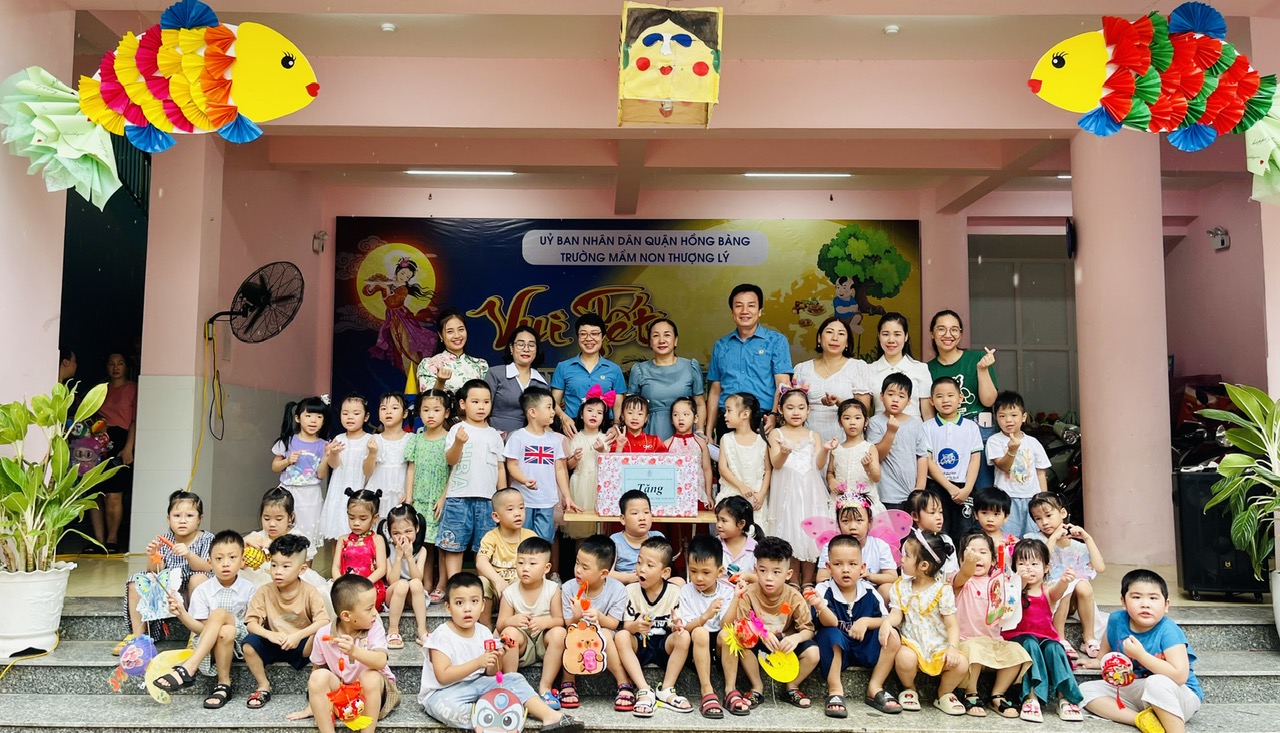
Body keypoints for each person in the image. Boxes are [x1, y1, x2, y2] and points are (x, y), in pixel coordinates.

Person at [418, 572, 584, 731]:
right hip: (443, 692)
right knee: (450, 708)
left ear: (483, 605)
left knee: (514, 679)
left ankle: (549, 716)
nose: (468, 609)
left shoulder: (483, 632)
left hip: (476, 684)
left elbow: (490, 673)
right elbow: (443, 676)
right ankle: (499, 718)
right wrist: (478, 662)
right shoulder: (442, 635)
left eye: (474, 601)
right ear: (448, 607)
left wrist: (497, 657)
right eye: (459, 603)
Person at [1079, 569, 1203, 733]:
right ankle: (1142, 719)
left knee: (1156, 682)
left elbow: (1180, 676)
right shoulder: (1117, 620)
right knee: (1084, 691)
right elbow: (1105, 653)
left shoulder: (1168, 631)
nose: (1145, 604)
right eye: (1136, 597)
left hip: (1179, 695)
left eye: (1153, 598)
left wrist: (1141, 655)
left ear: (1166, 605)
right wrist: (1098, 661)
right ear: (1123, 601)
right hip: (1140, 690)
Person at [153, 530, 253, 710]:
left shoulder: (250, 589)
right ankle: (223, 684)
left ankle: (189, 667)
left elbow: (251, 626)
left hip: (240, 643)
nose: (225, 563)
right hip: (212, 644)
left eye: (232, 557)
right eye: (219, 559)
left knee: (220, 615)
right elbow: (200, 629)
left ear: (242, 560)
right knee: (225, 630)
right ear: (209, 562)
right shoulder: (203, 590)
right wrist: (181, 613)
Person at [290, 574, 400, 732]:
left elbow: (380, 661)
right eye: (369, 608)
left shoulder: (374, 628)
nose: (375, 613)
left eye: (374, 607)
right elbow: (317, 669)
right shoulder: (323, 634)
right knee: (318, 676)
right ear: (346, 615)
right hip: (343, 695)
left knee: (370, 677)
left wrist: (354, 651)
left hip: (374, 695)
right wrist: (313, 705)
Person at [809, 535, 902, 718]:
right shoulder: (823, 590)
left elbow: (885, 619)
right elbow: (828, 622)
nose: (845, 570)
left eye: (852, 564)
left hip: (863, 647)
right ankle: (835, 690)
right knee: (831, 634)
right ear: (828, 567)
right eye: (838, 564)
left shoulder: (869, 591)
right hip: (836, 651)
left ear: (862, 568)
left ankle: (875, 687)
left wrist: (866, 621)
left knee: (891, 634)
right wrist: (820, 605)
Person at [883, 529, 969, 716]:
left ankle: (944, 693)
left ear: (923, 565)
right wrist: (887, 623)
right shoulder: (901, 586)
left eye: (906, 555)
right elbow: (896, 613)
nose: (901, 558)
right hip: (913, 643)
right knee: (904, 658)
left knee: (961, 664)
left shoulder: (943, 590)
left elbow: (952, 625)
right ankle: (909, 688)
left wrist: (952, 648)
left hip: (938, 646)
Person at [728, 536, 820, 709]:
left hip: (785, 646)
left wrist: (796, 638)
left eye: (776, 572)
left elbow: (808, 630)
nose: (769, 578)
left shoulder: (794, 597)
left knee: (813, 653)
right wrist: (761, 633)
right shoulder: (748, 593)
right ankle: (757, 687)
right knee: (742, 642)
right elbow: (741, 624)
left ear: (788, 574)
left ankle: (792, 687)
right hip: (759, 644)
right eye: (763, 571)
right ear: (756, 570)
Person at [117, 490, 212, 653]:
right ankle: (138, 636)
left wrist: (189, 555)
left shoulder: (207, 539)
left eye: (189, 516)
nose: (182, 521)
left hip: (194, 592)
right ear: (168, 519)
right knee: (136, 580)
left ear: (199, 519)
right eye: (177, 516)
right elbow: (154, 571)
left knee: (198, 578)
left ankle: (195, 635)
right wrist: (154, 556)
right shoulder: (164, 539)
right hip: (169, 592)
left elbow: (207, 567)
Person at [243, 534, 330, 710]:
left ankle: (314, 685)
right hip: (274, 641)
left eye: (286, 566)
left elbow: (323, 621)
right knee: (249, 644)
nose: (278, 571)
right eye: (274, 565)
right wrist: (270, 634)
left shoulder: (309, 591)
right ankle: (263, 686)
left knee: (322, 636)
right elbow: (251, 624)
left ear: (302, 569)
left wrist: (298, 636)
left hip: (301, 645)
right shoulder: (264, 591)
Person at [1001, 538, 1085, 723]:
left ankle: (1066, 699)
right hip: (1018, 638)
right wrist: (1021, 582)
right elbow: (1007, 606)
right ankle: (1031, 698)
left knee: (1055, 648)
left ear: (1046, 568)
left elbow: (1057, 592)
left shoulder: (1046, 591)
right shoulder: (1011, 589)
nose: (1028, 568)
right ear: (1014, 567)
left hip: (1046, 638)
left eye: (1034, 564)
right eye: (1022, 563)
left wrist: (1064, 581)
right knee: (1030, 643)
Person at [950, 533, 1031, 719]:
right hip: (967, 642)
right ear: (961, 559)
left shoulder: (999, 582)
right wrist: (968, 564)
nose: (977, 556)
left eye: (983, 552)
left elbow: (1011, 602)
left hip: (993, 641)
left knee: (1018, 652)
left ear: (993, 559)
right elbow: (964, 574)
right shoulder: (961, 581)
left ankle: (997, 694)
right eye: (971, 552)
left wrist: (1022, 581)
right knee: (974, 649)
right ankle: (971, 693)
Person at [615, 537, 693, 716]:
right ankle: (643, 689)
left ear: (665, 572)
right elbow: (627, 626)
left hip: (664, 645)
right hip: (640, 644)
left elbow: (674, 626)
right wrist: (636, 626)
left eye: (649, 565)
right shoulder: (631, 590)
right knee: (621, 636)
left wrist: (677, 625)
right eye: (639, 562)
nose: (641, 569)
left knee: (684, 636)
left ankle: (666, 689)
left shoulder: (674, 592)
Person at [767, 386, 838, 582]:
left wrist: (825, 450)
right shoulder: (776, 434)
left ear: (808, 409)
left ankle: (807, 581)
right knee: (790, 532)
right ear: (780, 409)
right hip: (787, 493)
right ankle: (792, 581)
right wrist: (784, 452)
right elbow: (776, 463)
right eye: (790, 407)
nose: (796, 412)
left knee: (809, 535)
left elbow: (818, 465)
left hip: (810, 492)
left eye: (801, 407)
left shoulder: (813, 435)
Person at [439, 380, 506, 584]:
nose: (481, 406)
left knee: (484, 548)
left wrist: (502, 499)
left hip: (487, 500)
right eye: (475, 402)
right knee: (454, 545)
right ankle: (454, 586)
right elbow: (450, 460)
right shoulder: (457, 429)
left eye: (486, 402)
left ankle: (484, 589)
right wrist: (459, 442)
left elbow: (500, 468)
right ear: (463, 404)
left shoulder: (495, 435)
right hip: (458, 498)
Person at [1027, 492, 1107, 661]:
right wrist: (1053, 539)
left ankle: (1089, 638)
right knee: (1066, 583)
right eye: (1038, 519)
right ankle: (1060, 638)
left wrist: (1087, 538)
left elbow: (1100, 567)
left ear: (1062, 513)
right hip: (1048, 598)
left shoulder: (1077, 546)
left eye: (1048, 515)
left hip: (1073, 604)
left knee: (1081, 584)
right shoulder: (1034, 540)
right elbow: (1040, 562)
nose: (1044, 522)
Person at [706, 284, 792, 437]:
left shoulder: (776, 341)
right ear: (732, 311)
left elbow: (783, 384)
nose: (745, 311)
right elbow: (714, 392)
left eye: (751, 305)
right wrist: (708, 432)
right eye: (739, 306)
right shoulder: (721, 345)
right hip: (727, 420)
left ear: (760, 311)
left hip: (764, 420)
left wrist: (774, 415)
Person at [558, 535, 632, 712]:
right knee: (570, 635)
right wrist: (577, 616)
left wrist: (599, 616)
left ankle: (623, 682)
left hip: (604, 631)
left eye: (585, 567)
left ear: (604, 573)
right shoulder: (568, 588)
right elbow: (568, 623)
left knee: (603, 635)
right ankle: (568, 681)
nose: (578, 570)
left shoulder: (617, 590)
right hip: (577, 632)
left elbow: (613, 623)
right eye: (577, 563)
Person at [926, 310, 998, 488]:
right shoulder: (927, 369)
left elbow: (989, 401)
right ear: (932, 333)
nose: (948, 334)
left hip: (979, 429)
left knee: (983, 492)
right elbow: (928, 412)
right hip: (945, 433)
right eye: (941, 329)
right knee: (949, 492)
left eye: (954, 329)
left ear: (961, 333)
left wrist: (982, 370)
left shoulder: (977, 359)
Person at [496, 537, 566, 709]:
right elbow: (500, 625)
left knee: (559, 633)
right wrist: (511, 620)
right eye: (520, 563)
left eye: (532, 563)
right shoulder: (510, 592)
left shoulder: (552, 589)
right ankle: (511, 685)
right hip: (522, 646)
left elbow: (560, 620)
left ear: (546, 568)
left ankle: (545, 687)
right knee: (508, 634)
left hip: (543, 642)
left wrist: (545, 623)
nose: (525, 568)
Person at [241, 487, 332, 617]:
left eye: (279, 519)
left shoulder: (297, 538)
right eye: (266, 518)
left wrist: (274, 548)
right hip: (258, 578)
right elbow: (239, 562)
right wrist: (244, 544)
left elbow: (303, 567)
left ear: (290, 517)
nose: (272, 524)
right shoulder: (256, 537)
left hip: (288, 580)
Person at [504, 387, 576, 542]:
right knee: (521, 541)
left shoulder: (555, 440)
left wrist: (567, 496)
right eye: (549, 407)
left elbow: (560, 470)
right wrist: (524, 480)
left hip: (547, 500)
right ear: (532, 412)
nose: (553, 412)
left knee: (544, 542)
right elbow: (512, 466)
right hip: (522, 501)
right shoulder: (517, 437)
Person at [679, 535, 736, 719]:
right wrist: (706, 616)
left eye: (706, 572)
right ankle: (707, 690)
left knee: (728, 634)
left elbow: (726, 625)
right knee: (700, 632)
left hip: (718, 647)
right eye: (693, 571)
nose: (698, 578)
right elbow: (685, 627)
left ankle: (730, 689)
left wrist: (737, 597)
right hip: (695, 646)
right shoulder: (686, 591)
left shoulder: (727, 591)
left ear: (720, 571)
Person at [792, 316, 873, 442]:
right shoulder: (802, 369)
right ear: (819, 338)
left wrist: (840, 403)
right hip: (808, 441)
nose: (835, 338)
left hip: (845, 441)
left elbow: (865, 408)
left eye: (841, 334)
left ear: (847, 342)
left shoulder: (858, 367)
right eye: (829, 332)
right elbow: (792, 404)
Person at [924, 376, 984, 545]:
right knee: (938, 532)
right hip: (937, 486)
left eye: (950, 395)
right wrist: (949, 487)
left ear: (960, 398)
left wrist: (968, 488)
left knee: (964, 532)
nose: (945, 400)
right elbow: (928, 461)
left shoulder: (971, 427)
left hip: (964, 487)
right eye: (939, 396)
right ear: (931, 401)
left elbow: (975, 459)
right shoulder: (927, 427)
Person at [404, 389, 451, 602]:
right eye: (425, 410)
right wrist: (409, 498)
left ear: (446, 413)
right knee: (424, 542)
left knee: (442, 544)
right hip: (420, 498)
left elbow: (454, 471)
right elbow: (411, 469)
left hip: (440, 499)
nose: (430, 414)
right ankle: (426, 582)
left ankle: (442, 584)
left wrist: (443, 497)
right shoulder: (416, 439)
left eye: (436, 410)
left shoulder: (449, 439)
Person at [90, 351, 138, 553]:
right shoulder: (100, 389)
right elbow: (91, 417)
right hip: (98, 441)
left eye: (120, 363)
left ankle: (112, 539)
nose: (116, 367)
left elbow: (135, 420)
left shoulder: (133, 389)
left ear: (126, 366)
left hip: (120, 441)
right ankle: (98, 541)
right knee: (94, 493)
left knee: (113, 494)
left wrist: (128, 448)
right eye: (111, 363)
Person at [364, 256, 438, 386]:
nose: (404, 277)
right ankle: (412, 380)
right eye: (403, 273)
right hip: (392, 320)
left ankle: (419, 380)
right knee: (400, 350)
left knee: (408, 349)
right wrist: (372, 285)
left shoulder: (403, 289)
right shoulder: (388, 283)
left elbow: (393, 303)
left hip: (402, 319)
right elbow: (368, 292)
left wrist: (385, 288)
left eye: (408, 277)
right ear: (397, 271)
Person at [628, 318, 706, 440]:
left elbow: (700, 403)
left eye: (667, 335)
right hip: (651, 432)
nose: (661, 340)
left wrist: (700, 430)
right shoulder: (639, 370)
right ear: (650, 342)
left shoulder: (690, 367)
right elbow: (630, 406)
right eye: (656, 335)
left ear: (675, 340)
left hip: (685, 433)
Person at [986, 391, 1050, 539]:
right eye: (1002, 416)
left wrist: (1043, 499)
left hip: (1032, 498)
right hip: (1007, 498)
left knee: (1034, 538)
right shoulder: (994, 441)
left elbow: (1041, 473)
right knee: (1008, 538)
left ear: (1024, 417)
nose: (1008, 420)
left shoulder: (1033, 442)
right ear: (996, 418)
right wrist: (1012, 450)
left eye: (1014, 415)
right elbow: (1003, 466)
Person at [271, 395, 332, 548]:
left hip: (311, 495)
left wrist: (326, 456)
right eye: (308, 415)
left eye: (319, 417)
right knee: (284, 531)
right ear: (297, 418)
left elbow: (321, 474)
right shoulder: (288, 441)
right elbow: (275, 466)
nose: (313, 420)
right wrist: (287, 461)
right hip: (287, 492)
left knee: (308, 537)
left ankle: (306, 564)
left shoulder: (324, 445)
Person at [552, 313, 626, 437]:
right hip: (572, 428)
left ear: (603, 337)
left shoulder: (614, 370)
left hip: (604, 430)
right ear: (578, 337)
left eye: (594, 333)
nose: (589, 338)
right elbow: (554, 402)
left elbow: (618, 405)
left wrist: (616, 425)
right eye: (583, 334)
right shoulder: (563, 367)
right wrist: (563, 418)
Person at [866, 373, 929, 511]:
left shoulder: (915, 424)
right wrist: (890, 432)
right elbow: (877, 456)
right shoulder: (875, 423)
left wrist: (920, 487)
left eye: (901, 396)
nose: (895, 399)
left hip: (911, 493)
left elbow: (922, 456)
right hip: (886, 493)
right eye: (890, 394)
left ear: (908, 401)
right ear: (881, 396)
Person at [815, 492, 897, 597]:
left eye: (859, 520)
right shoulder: (830, 546)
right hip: (840, 592)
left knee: (887, 589)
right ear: (838, 523)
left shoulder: (880, 546)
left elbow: (892, 576)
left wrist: (869, 576)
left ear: (869, 522)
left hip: (871, 593)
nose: (853, 527)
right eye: (846, 521)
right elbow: (821, 578)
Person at [476, 488, 538, 623]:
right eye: (510, 509)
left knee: (520, 582)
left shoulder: (530, 536)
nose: (518, 513)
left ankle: (510, 626)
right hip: (496, 592)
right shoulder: (491, 537)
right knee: (482, 582)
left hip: (520, 596)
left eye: (521, 508)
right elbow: (481, 562)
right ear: (496, 516)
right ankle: (486, 628)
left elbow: (539, 566)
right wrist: (498, 581)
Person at [322, 394, 372, 542]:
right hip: (339, 488)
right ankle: (336, 557)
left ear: (366, 417)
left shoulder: (370, 440)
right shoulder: (339, 438)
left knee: (358, 535)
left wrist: (372, 452)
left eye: (356, 413)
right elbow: (334, 465)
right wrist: (333, 453)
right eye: (345, 413)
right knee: (336, 533)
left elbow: (369, 471)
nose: (350, 417)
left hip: (358, 487)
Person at [563, 396, 613, 539]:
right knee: (581, 531)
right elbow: (568, 466)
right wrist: (575, 459)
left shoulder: (606, 438)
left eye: (599, 412)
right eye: (590, 410)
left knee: (600, 530)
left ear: (603, 418)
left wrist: (602, 452)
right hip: (580, 484)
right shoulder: (574, 438)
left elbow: (611, 467)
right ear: (581, 414)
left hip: (599, 485)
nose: (594, 415)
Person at [868, 313, 933, 419]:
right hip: (880, 428)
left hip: (914, 428)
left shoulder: (920, 369)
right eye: (885, 334)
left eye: (897, 334)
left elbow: (928, 414)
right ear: (879, 336)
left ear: (905, 336)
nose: (891, 340)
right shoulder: (869, 370)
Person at [485, 325, 547, 436]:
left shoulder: (542, 382)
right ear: (511, 348)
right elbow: (483, 410)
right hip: (497, 437)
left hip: (530, 440)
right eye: (520, 344)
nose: (526, 349)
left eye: (531, 345)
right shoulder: (495, 374)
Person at [716, 393, 770, 520]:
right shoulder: (726, 439)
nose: (725, 415)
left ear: (745, 414)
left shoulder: (762, 441)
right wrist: (741, 486)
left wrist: (762, 494)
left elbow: (768, 470)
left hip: (756, 497)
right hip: (732, 494)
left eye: (729, 410)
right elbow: (722, 469)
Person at [333, 489, 389, 610]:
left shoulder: (377, 539)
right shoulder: (343, 539)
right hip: (345, 589)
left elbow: (382, 569)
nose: (356, 523)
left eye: (363, 519)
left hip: (369, 588)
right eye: (352, 518)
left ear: (375, 518)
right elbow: (336, 567)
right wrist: (340, 585)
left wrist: (363, 584)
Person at [382, 505, 429, 649]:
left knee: (415, 583)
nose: (403, 537)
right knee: (402, 584)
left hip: (413, 595)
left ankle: (422, 630)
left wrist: (409, 557)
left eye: (408, 531)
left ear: (417, 528)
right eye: (396, 533)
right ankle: (393, 630)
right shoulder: (387, 549)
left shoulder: (421, 550)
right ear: (389, 533)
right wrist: (398, 557)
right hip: (393, 593)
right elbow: (392, 580)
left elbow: (418, 578)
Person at [827, 399, 885, 516]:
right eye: (847, 418)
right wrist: (831, 481)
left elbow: (876, 478)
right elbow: (830, 472)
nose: (852, 422)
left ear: (866, 421)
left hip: (864, 502)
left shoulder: (869, 448)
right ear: (840, 422)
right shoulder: (836, 449)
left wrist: (868, 467)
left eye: (857, 418)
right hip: (840, 502)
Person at [417, 309, 490, 394]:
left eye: (461, 329)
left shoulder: (481, 365)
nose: (457, 335)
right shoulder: (429, 364)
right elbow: (428, 400)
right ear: (441, 335)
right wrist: (440, 382)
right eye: (450, 331)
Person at [365, 392, 411, 517]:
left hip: (401, 491)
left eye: (394, 408)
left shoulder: (411, 439)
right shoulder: (374, 439)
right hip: (378, 490)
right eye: (383, 408)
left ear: (405, 413)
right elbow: (367, 472)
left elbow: (413, 470)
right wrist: (372, 454)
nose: (388, 412)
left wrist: (409, 494)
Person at [665, 396, 713, 505]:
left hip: (698, 495)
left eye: (686, 414)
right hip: (674, 497)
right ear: (671, 419)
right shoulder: (667, 444)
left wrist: (709, 495)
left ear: (695, 418)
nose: (680, 418)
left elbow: (707, 470)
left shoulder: (701, 444)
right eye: (676, 415)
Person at [609, 490, 664, 585]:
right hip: (626, 586)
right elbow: (608, 573)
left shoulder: (658, 537)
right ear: (623, 519)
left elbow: (666, 571)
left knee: (679, 581)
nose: (642, 518)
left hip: (654, 585)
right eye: (635, 513)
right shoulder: (615, 540)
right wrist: (629, 578)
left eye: (646, 512)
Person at [907, 489, 960, 579]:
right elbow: (908, 575)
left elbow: (952, 573)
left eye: (940, 512)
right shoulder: (911, 544)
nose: (939, 517)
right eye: (932, 512)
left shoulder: (946, 539)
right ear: (915, 515)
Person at [716, 496, 760, 585]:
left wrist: (749, 578)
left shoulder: (755, 548)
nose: (718, 525)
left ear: (741, 523)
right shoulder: (714, 545)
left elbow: (761, 578)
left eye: (724, 521)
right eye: (718, 520)